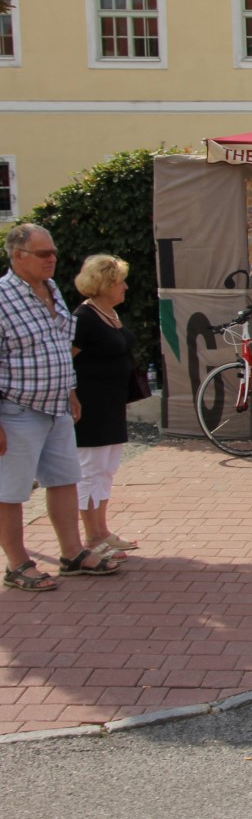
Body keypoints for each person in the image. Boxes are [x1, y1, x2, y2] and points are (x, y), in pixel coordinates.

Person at [1, 224, 121, 592]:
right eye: (43, 254)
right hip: (17, 409)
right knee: (11, 490)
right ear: (18, 256)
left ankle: (72, 553)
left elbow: (57, 347)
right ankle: (17, 563)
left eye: (52, 251)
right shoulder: (3, 298)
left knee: (65, 480)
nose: (52, 258)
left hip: (55, 407)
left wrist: (70, 391)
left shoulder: (50, 289)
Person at [71, 254, 137, 562]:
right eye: (120, 281)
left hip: (112, 403)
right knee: (90, 470)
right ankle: (91, 536)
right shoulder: (83, 318)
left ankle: (102, 529)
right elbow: (65, 360)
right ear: (105, 284)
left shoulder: (109, 313)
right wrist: (70, 395)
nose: (125, 287)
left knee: (106, 470)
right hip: (90, 406)